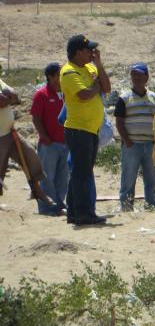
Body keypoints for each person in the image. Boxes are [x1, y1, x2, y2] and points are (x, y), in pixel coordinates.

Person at [60, 34, 111, 225]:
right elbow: (84, 94)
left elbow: (106, 87)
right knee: (82, 174)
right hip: (78, 129)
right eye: (88, 50)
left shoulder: (90, 67)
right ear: (78, 52)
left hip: (91, 129)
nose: (92, 52)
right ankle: (83, 213)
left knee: (82, 172)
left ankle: (73, 211)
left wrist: (99, 65)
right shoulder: (68, 71)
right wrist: (96, 87)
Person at [0, 64, 52, 211]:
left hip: (10, 132)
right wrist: (8, 99)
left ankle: (37, 191)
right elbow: (3, 101)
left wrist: (8, 98)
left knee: (30, 156)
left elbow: (16, 96)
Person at [114, 62, 155, 211]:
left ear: (146, 77)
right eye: (134, 74)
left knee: (152, 179)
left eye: (140, 74)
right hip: (132, 145)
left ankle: (152, 207)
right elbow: (119, 122)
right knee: (128, 179)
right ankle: (127, 208)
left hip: (151, 145)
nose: (137, 77)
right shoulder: (124, 98)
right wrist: (127, 141)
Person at [30, 62, 68, 215]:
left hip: (66, 143)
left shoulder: (66, 93)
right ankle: (47, 208)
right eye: (59, 75)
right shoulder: (41, 95)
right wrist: (46, 138)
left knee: (63, 177)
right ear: (51, 77)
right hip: (49, 145)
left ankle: (59, 206)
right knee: (47, 178)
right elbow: (36, 118)